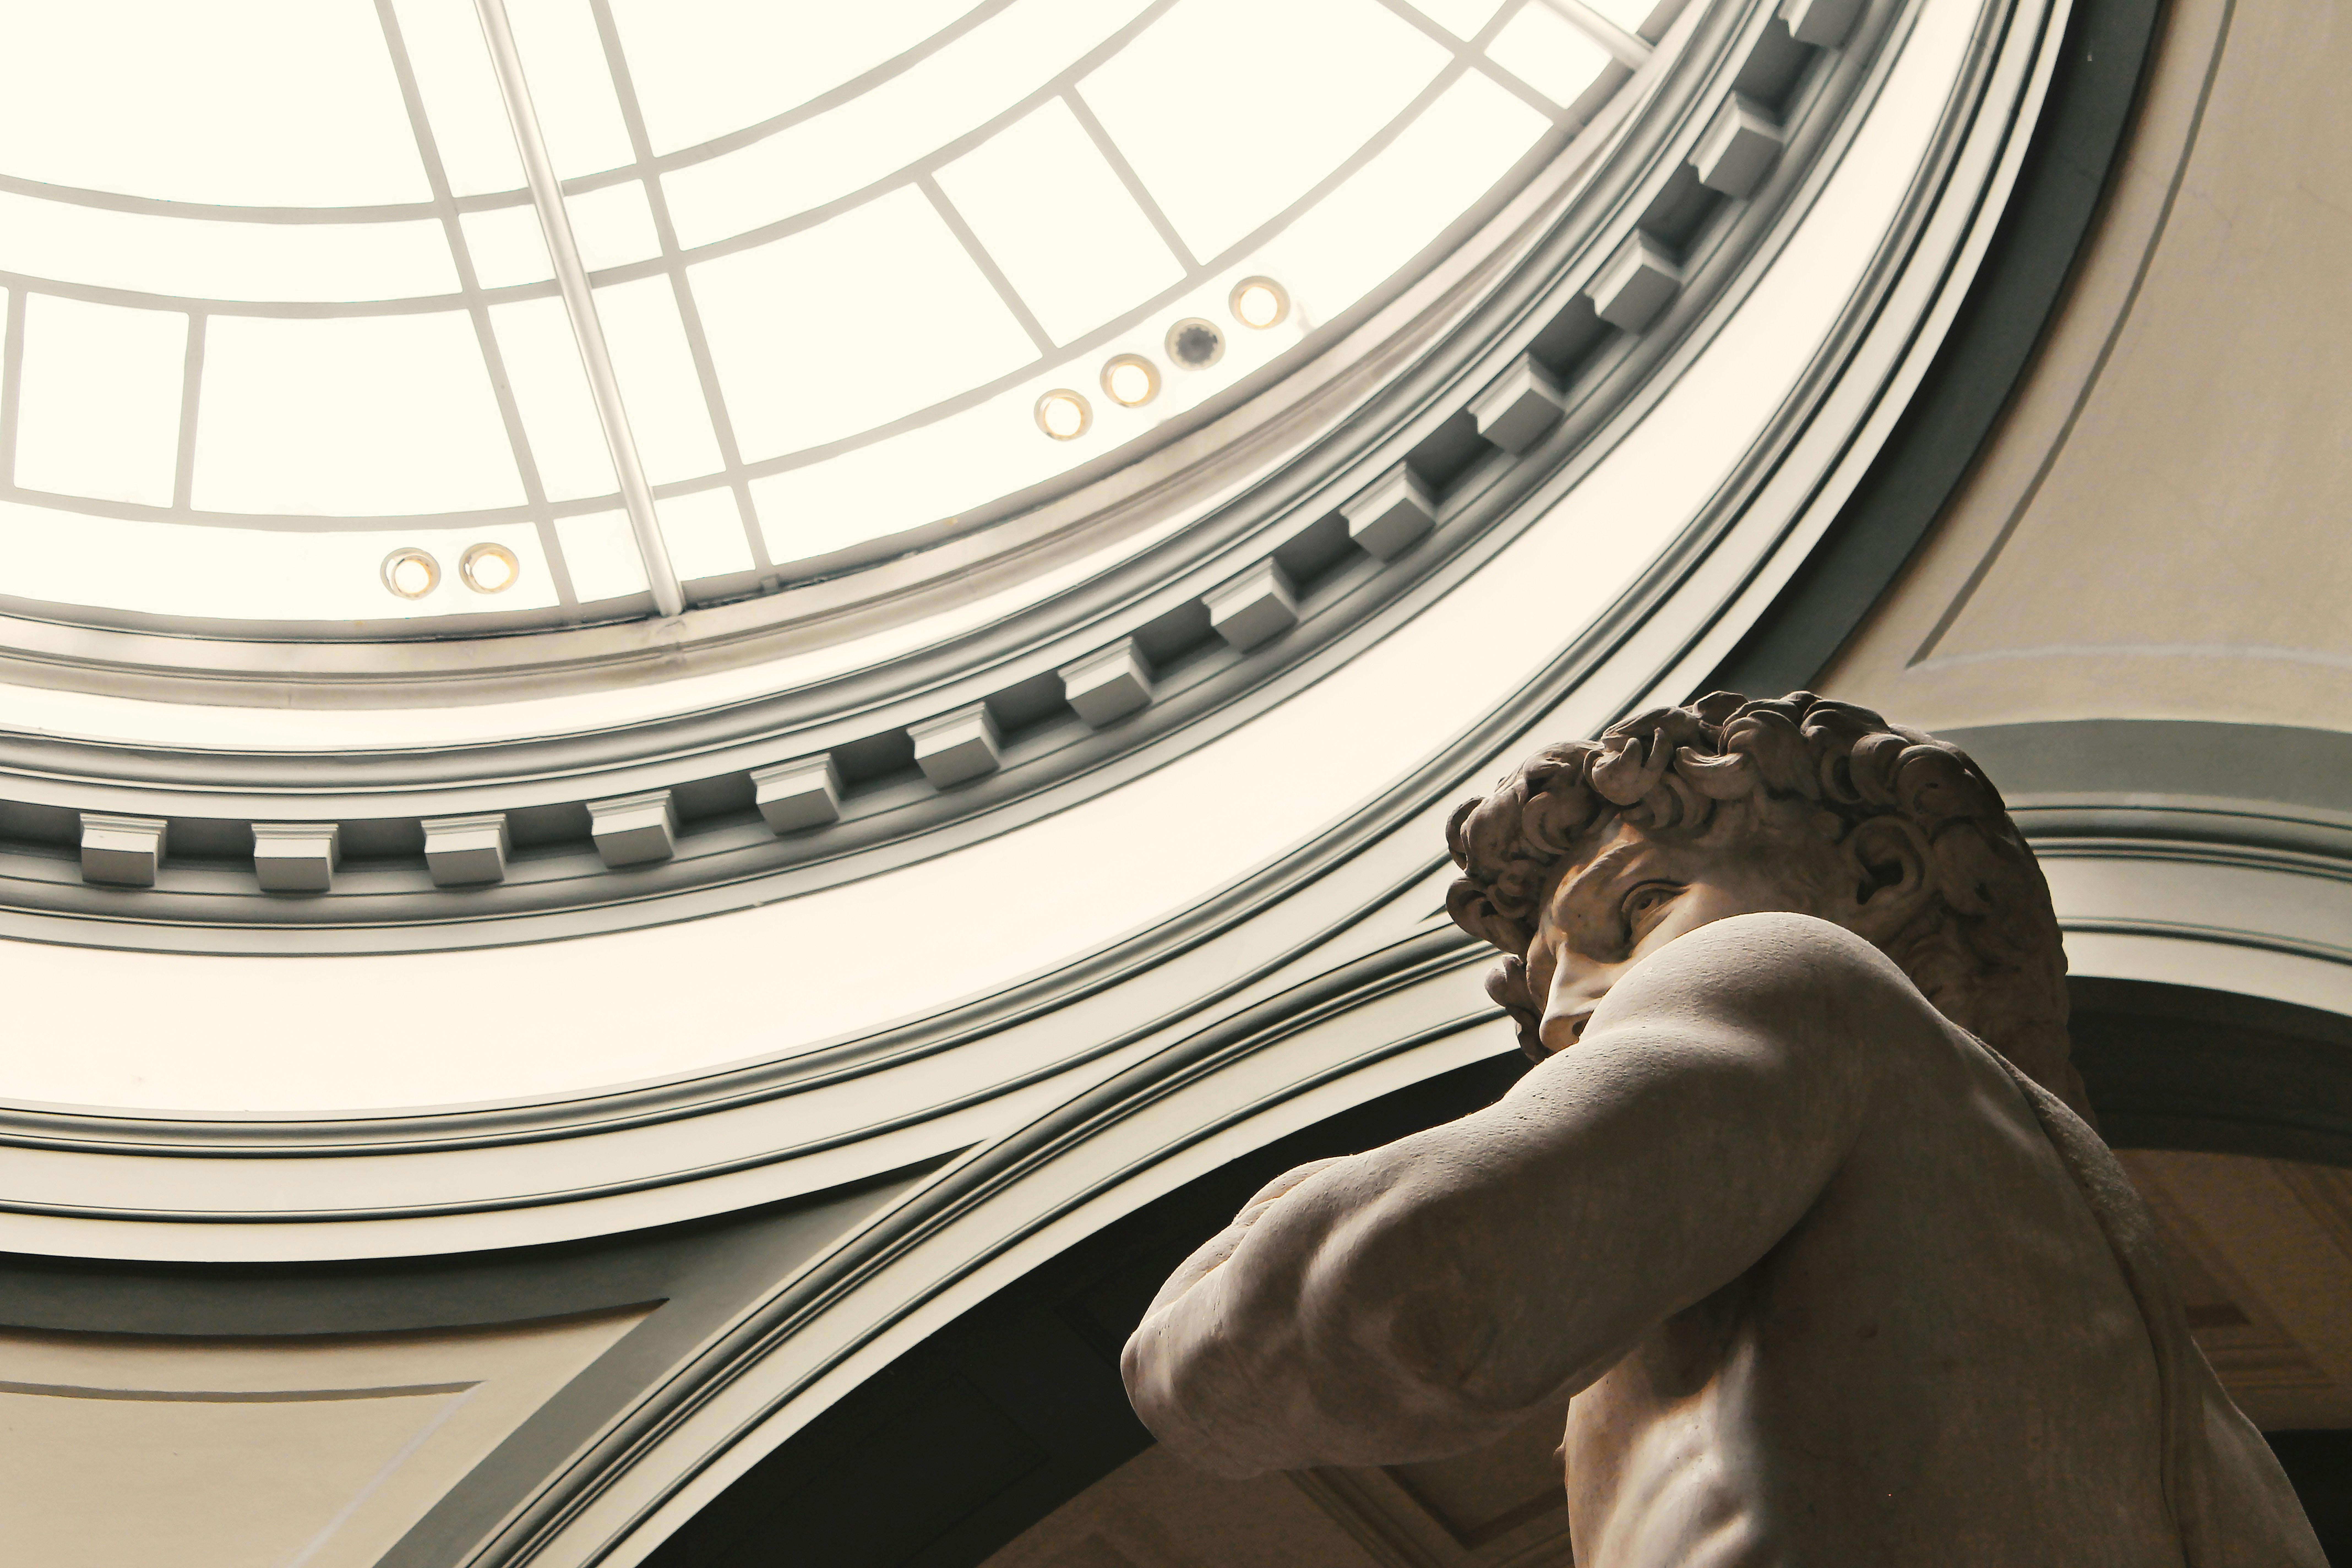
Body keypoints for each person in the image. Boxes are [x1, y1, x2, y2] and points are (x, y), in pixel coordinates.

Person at [1122, 692, 2321, 1566]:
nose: (1566, 1017)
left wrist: (1246, 1254)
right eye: (1541, 992)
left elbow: (1391, 1297)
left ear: (1878, 878)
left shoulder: (1799, 976)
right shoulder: (2196, 1424)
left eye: (1638, 908)